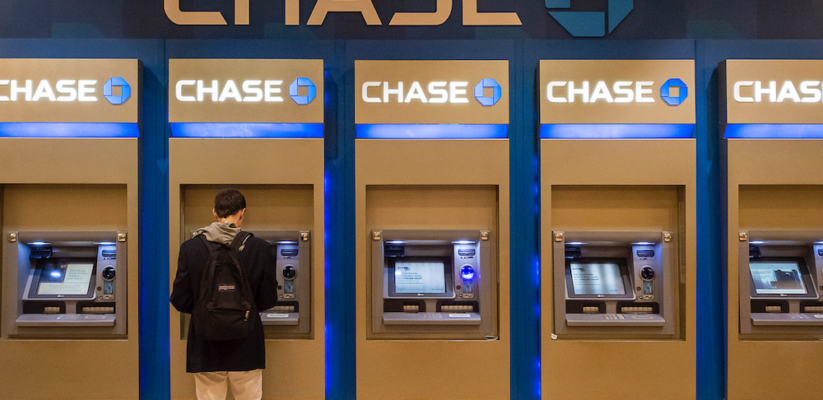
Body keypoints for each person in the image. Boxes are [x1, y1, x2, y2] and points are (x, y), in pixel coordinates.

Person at [171, 189, 278, 400]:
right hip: (247, 343)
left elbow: (180, 300)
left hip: (205, 346)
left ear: (214, 213)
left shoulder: (190, 249)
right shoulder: (260, 249)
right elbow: (268, 300)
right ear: (242, 213)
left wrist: (208, 311)